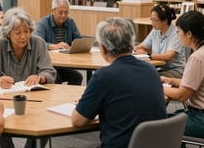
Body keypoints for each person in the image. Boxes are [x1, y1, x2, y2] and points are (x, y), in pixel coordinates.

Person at [71, 17, 167, 148]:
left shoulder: (103, 76)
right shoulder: (151, 70)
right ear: (131, 44)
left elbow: (77, 121)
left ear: (103, 49)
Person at [0, 7, 56, 148]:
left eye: (26, 31)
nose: (23, 36)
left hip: (34, 101)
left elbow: (49, 71)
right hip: (3, 100)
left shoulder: (38, 43)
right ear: (8, 33)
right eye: (17, 32)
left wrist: (40, 77)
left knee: (46, 121)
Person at [162, 11, 204, 138]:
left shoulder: (197, 57)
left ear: (189, 34)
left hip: (200, 119)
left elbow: (181, 96)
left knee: (155, 124)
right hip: (199, 115)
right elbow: (195, 84)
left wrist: (158, 86)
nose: (178, 34)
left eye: (179, 31)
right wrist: (171, 81)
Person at [35, 0, 83, 85]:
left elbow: (78, 38)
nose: (64, 15)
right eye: (60, 12)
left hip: (64, 62)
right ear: (53, 11)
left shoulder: (70, 22)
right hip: (48, 65)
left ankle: (72, 98)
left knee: (77, 77)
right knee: (57, 78)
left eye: (66, 12)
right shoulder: (43, 23)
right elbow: (38, 42)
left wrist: (80, 44)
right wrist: (54, 46)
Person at [134, 4, 186, 78]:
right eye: (151, 19)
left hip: (176, 70)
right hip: (160, 68)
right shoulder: (155, 30)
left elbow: (168, 56)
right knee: (138, 73)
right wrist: (138, 49)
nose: (152, 23)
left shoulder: (176, 33)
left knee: (148, 77)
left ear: (165, 21)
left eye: (156, 20)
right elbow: (141, 46)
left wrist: (148, 56)